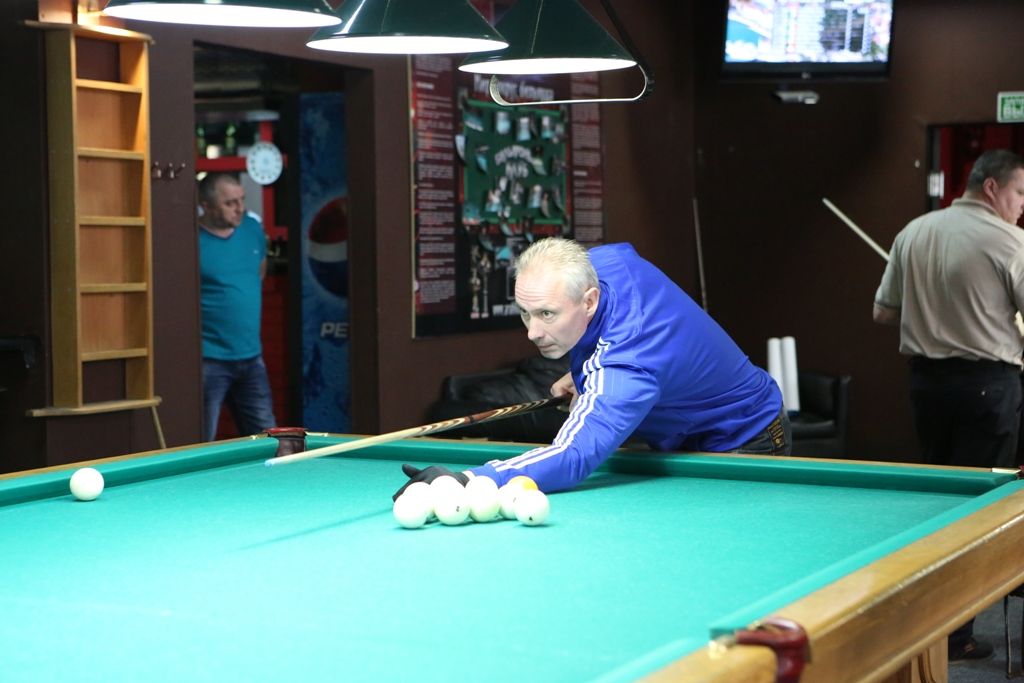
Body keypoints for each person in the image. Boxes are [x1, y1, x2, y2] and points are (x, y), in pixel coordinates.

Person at [394, 238, 789, 496]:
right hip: (683, 431)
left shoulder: (627, 363)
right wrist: (585, 372)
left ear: (589, 300)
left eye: (547, 314)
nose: (532, 332)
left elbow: (573, 456)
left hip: (744, 435)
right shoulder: (606, 262)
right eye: (525, 312)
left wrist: (470, 479)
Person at [873, 148, 1024, 661]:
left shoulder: (913, 232)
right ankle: (957, 636)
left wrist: (934, 305)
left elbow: (882, 312)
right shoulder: (1008, 240)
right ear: (991, 188)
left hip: (928, 386)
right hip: (988, 385)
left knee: (941, 504)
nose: (1021, 206)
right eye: (1019, 193)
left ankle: (935, 628)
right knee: (980, 510)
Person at [197, 173, 276, 441]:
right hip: (209, 358)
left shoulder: (252, 230)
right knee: (200, 440)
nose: (240, 208)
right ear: (207, 206)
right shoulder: (191, 241)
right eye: (230, 203)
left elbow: (259, 272)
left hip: (251, 356)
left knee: (267, 441)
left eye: (241, 200)